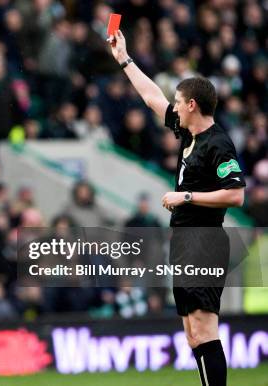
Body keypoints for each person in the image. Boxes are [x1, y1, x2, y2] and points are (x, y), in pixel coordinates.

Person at [108, 30, 245, 386]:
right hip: (185, 241)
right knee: (193, 335)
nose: (173, 105)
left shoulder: (218, 144)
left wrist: (186, 197)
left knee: (204, 330)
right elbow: (152, 98)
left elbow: (236, 195)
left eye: (178, 101)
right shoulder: (189, 134)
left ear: (192, 106)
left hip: (205, 242)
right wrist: (125, 59)